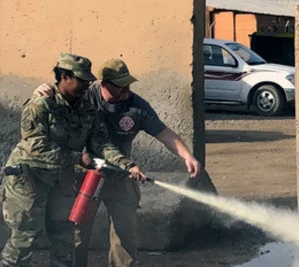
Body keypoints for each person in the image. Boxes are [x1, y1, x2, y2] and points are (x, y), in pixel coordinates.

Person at [33, 58, 202, 267]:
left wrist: (187, 156)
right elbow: (54, 101)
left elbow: (163, 132)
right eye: (121, 87)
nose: (126, 92)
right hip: (84, 177)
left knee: (125, 233)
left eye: (129, 86)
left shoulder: (136, 106)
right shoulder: (83, 97)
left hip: (121, 175)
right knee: (77, 230)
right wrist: (41, 91)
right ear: (104, 84)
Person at [1, 54, 143, 267]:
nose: (87, 84)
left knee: (64, 238)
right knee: (25, 239)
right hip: (29, 180)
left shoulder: (88, 110)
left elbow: (102, 144)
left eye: (89, 80)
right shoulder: (41, 104)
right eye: (82, 80)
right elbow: (37, 147)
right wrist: (79, 158)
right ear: (64, 77)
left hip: (62, 181)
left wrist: (127, 165)